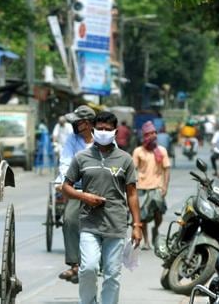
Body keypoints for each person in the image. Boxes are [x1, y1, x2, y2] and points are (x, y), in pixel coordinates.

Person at [62, 111, 142, 304]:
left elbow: (131, 193)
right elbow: (66, 187)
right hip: (89, 223)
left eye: (108, 129)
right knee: (88, 268)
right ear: (93, 129)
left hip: (116, 225)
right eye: (100, 129)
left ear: (115, 131)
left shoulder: (125, 159)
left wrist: (137, 225)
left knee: (112, 275)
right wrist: (84, 196)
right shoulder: (82, 158)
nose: (103, 132)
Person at [56, 105, 95, 284]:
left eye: (77, 121)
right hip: (76, 188)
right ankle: (75, 264)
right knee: (70, 220)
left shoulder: (102, 139)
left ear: (86, 124)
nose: (74, 124)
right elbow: (65, 161)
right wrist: (64, 182)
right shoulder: (72, 139)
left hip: (99, 188)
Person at [132, 121, 170, 250]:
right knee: (142, 217)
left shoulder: (161, 150)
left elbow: (166, 169)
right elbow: (133, 169)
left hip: (157, 187)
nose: (153, 135)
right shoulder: (138, 151)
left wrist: (165, 186)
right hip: (142, 187)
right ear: (145, 135)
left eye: (155, 133)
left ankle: (156, 229)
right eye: (150, 133)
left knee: (158, 213)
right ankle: (146, 241)